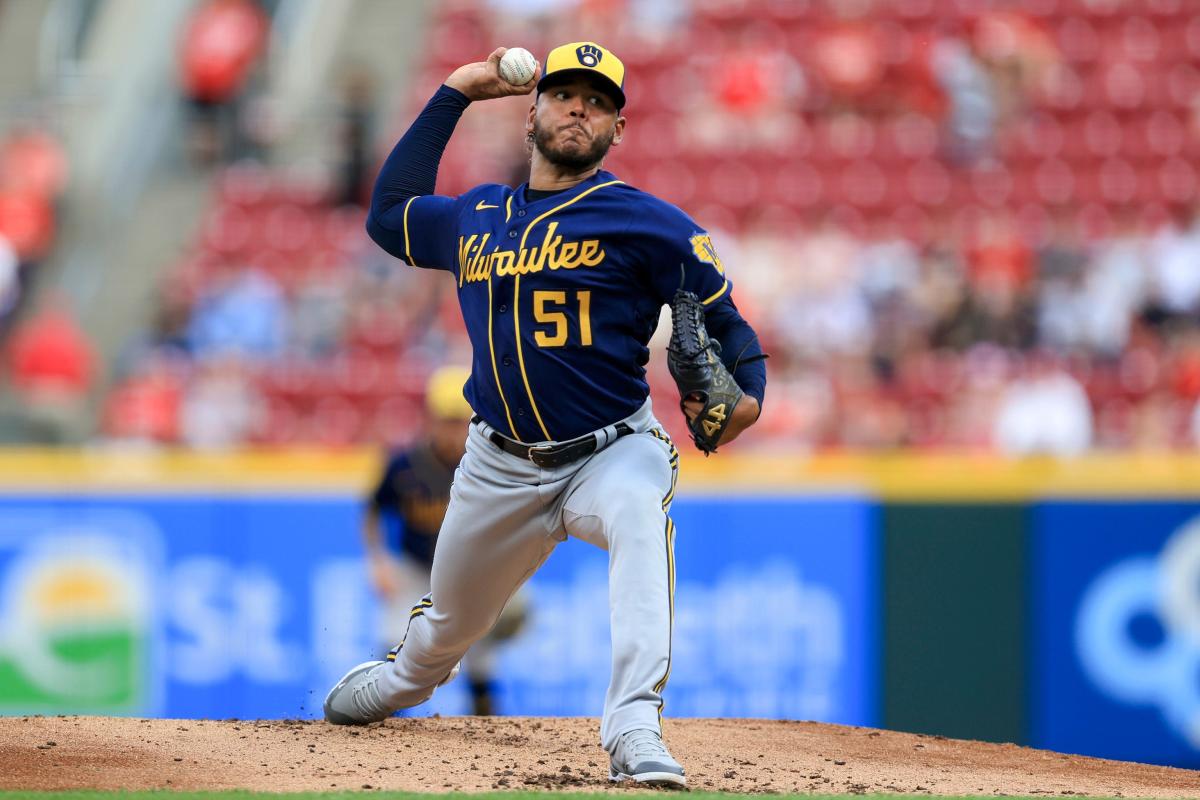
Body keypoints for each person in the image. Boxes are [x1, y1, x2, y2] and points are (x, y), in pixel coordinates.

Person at [323, 42, 767, 788]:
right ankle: (402, 682)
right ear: (532, 110)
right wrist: (458, 90)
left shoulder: (647, 223)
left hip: (611, 450)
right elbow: (388, 215)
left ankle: (634, 726)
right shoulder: (479, 216)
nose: (579, 109)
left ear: (617, 130)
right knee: (444, 638)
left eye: (598, 102)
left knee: (636, 516)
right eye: (565, 95)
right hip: (498, 463)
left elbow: (733, 329)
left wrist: (748, 400)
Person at [363, 365, 527, 716]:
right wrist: (377, 560)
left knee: (480, 658)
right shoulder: (404, 464)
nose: (453, 430)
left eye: (459, 420)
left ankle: (486, 750)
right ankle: (377, 735)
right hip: (414, 566)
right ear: (429, 419)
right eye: (445, 419)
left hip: (465, 575)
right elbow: (374, 510)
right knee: (393, 641)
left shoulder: (488, 465)